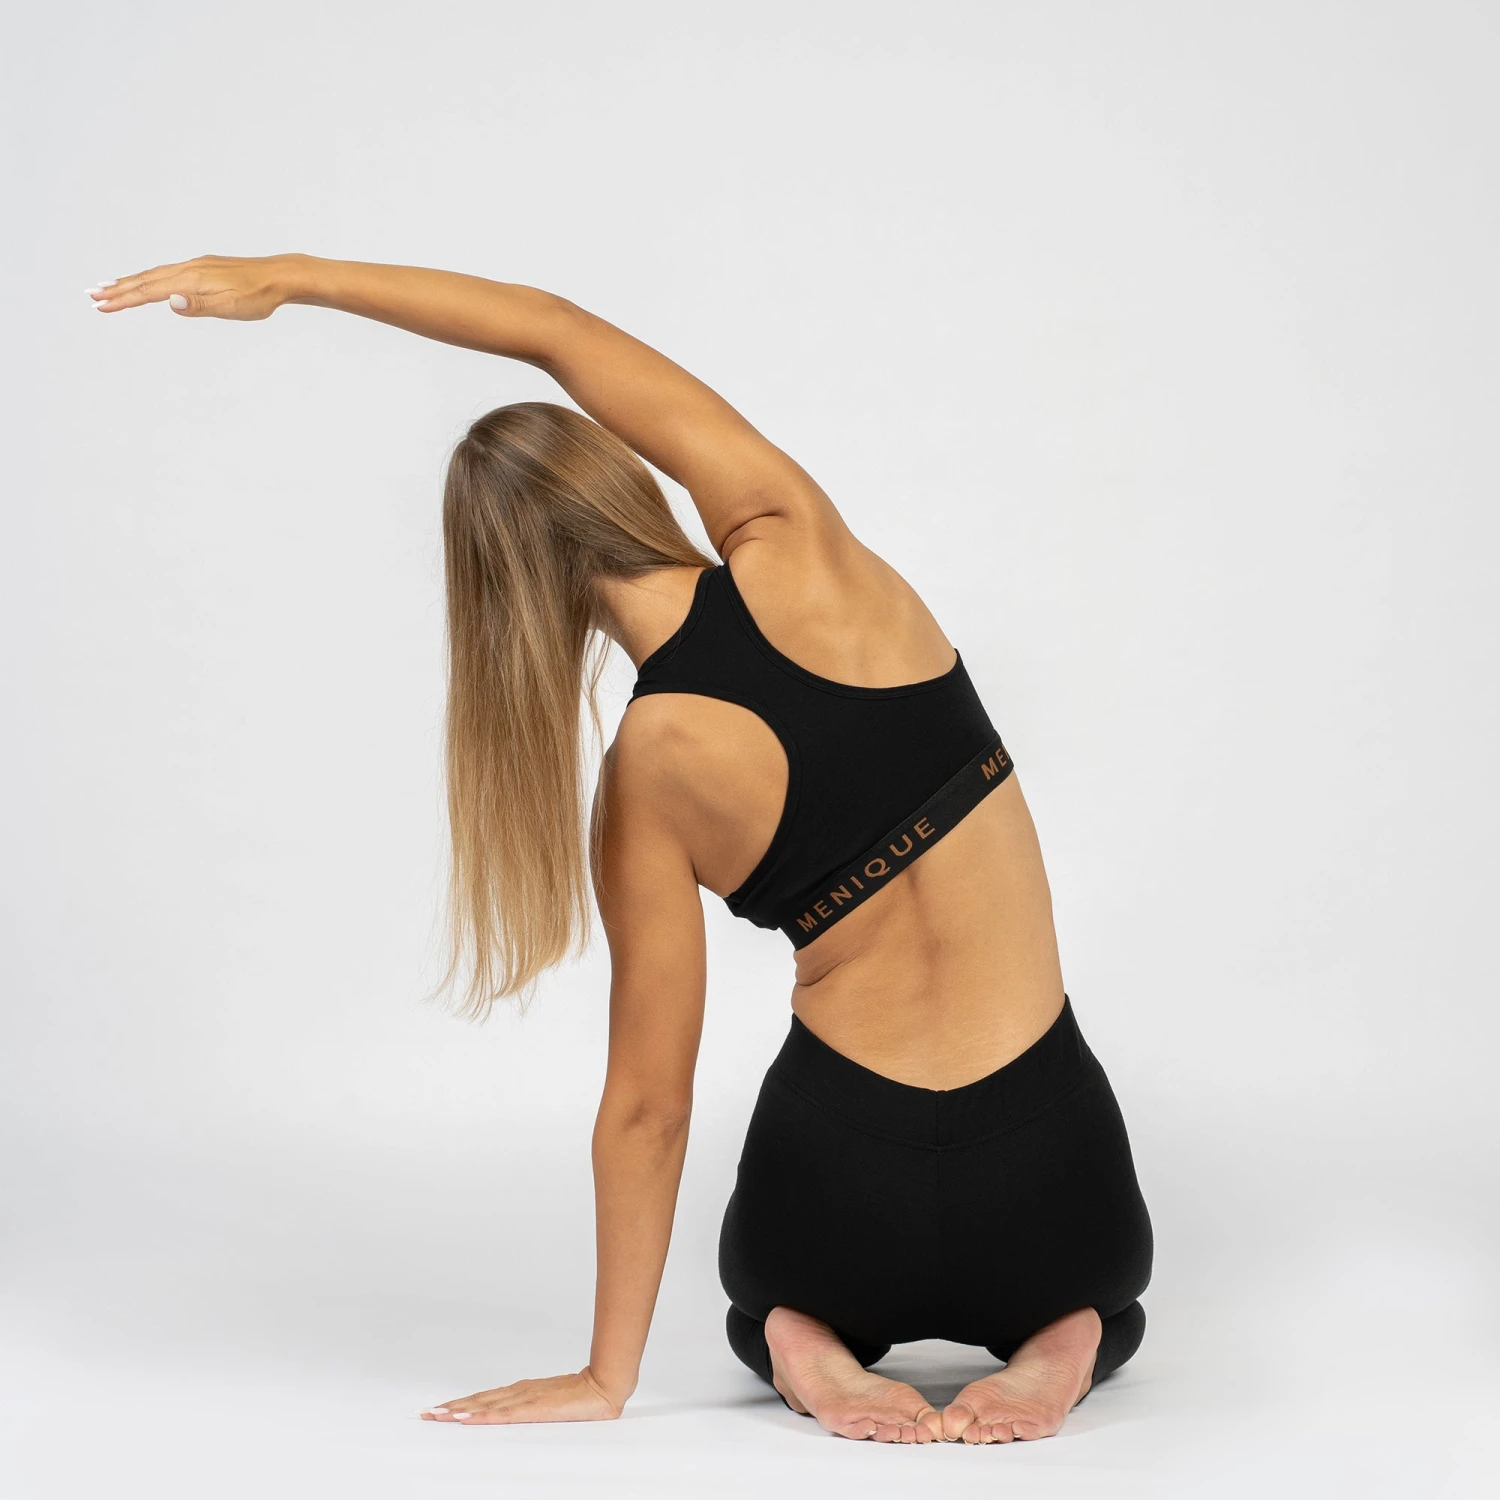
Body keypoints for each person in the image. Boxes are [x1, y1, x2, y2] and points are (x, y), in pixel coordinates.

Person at [91, 256, 1153, 1445]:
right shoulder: (800, 547)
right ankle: (1063, 1342)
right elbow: (552, 328)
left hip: (843, 1186)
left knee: (768, 1304)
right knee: (1102, 1292)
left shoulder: (645, 776)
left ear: (503, 603)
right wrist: (292, 278)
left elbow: (648, 1107)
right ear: (624, 480)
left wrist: (607, 1377)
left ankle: (804, 1347)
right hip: (1047, 1162)